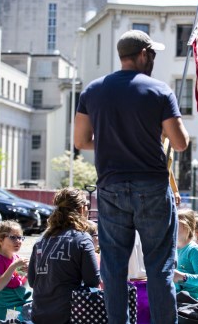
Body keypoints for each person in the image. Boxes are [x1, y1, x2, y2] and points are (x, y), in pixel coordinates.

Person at [74, 29, 189, 323]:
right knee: (159, 267)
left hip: (111, 188)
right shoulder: (160, 91)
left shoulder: (92, 91)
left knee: (113, 268)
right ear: (142, 55)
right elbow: (180, 143)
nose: (152, 59)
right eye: (152, 54)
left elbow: (81, 141)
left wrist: (112, 140)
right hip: (151, 186)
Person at [28, 187, 100, 324]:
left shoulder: (41, 240)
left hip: (39, 314)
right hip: (70, 314)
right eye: (87, 205)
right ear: (81, 209)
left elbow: (32, 281)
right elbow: (93, 280)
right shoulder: (82, 239)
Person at [0, 220, 31, 320]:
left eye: (20, 237)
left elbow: (22, 284)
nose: (18, 241)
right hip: (4, 309)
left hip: (17, 306)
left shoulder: (16, 258)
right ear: (0, 240)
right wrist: (14, 266)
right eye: (13, 237)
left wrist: (28, 272)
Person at [174, 210, 198, 300]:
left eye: (176, 223)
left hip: (193, 299)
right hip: (176, 296)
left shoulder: (194, 250)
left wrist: (183, 277)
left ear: (187, 226)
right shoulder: (172, 248)